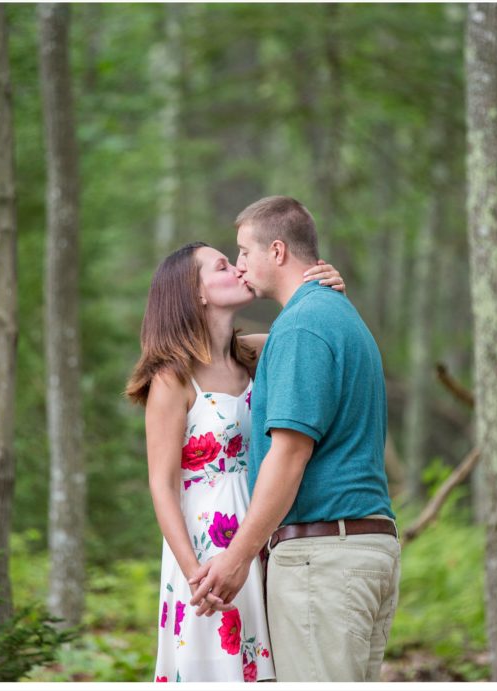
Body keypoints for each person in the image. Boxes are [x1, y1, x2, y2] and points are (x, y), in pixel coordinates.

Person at [188, 196, 401, 682]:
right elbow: (237, 351)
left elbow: (288, 455)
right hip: (360, 550)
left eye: (243, 252)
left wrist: (236, 557)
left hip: (323, 560)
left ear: (278, 251)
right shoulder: (330, 315)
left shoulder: (303, 327)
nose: (240, 266)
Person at [125, 241, 346, 682]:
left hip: (261, 530)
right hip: (205, 546)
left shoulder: (258, 354)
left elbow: (316, 335)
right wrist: (195, 575)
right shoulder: (173, 377)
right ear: (196, 294)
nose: (238, 269)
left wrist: (330, 292)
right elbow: (162, 484)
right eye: (222, 266)